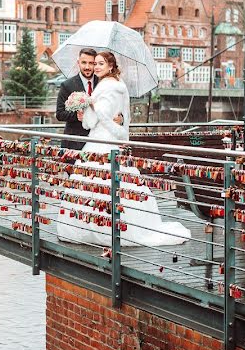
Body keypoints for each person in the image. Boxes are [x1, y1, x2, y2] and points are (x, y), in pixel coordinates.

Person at [55, 51, 191, 249]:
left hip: (105, 142)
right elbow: (89, 122)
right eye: (95, 64)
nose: (96, 67)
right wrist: (86, 108)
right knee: (92, 185)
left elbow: (108, 118)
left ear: (111, 66)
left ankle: (107, 228)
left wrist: (93, 106)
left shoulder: (114, 87)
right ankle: (91, 227)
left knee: (106, 185)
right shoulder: (99, 86)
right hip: (93, 140)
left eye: (100, 64)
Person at [55, 48, 98, 150]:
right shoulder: (67, 85)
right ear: (78, 63)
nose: (87, 67)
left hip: (98, 139)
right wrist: (76, 115)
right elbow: (60, 114)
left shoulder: (102, 83)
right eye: (84, 62)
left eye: (91, 63)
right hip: (74, 141)